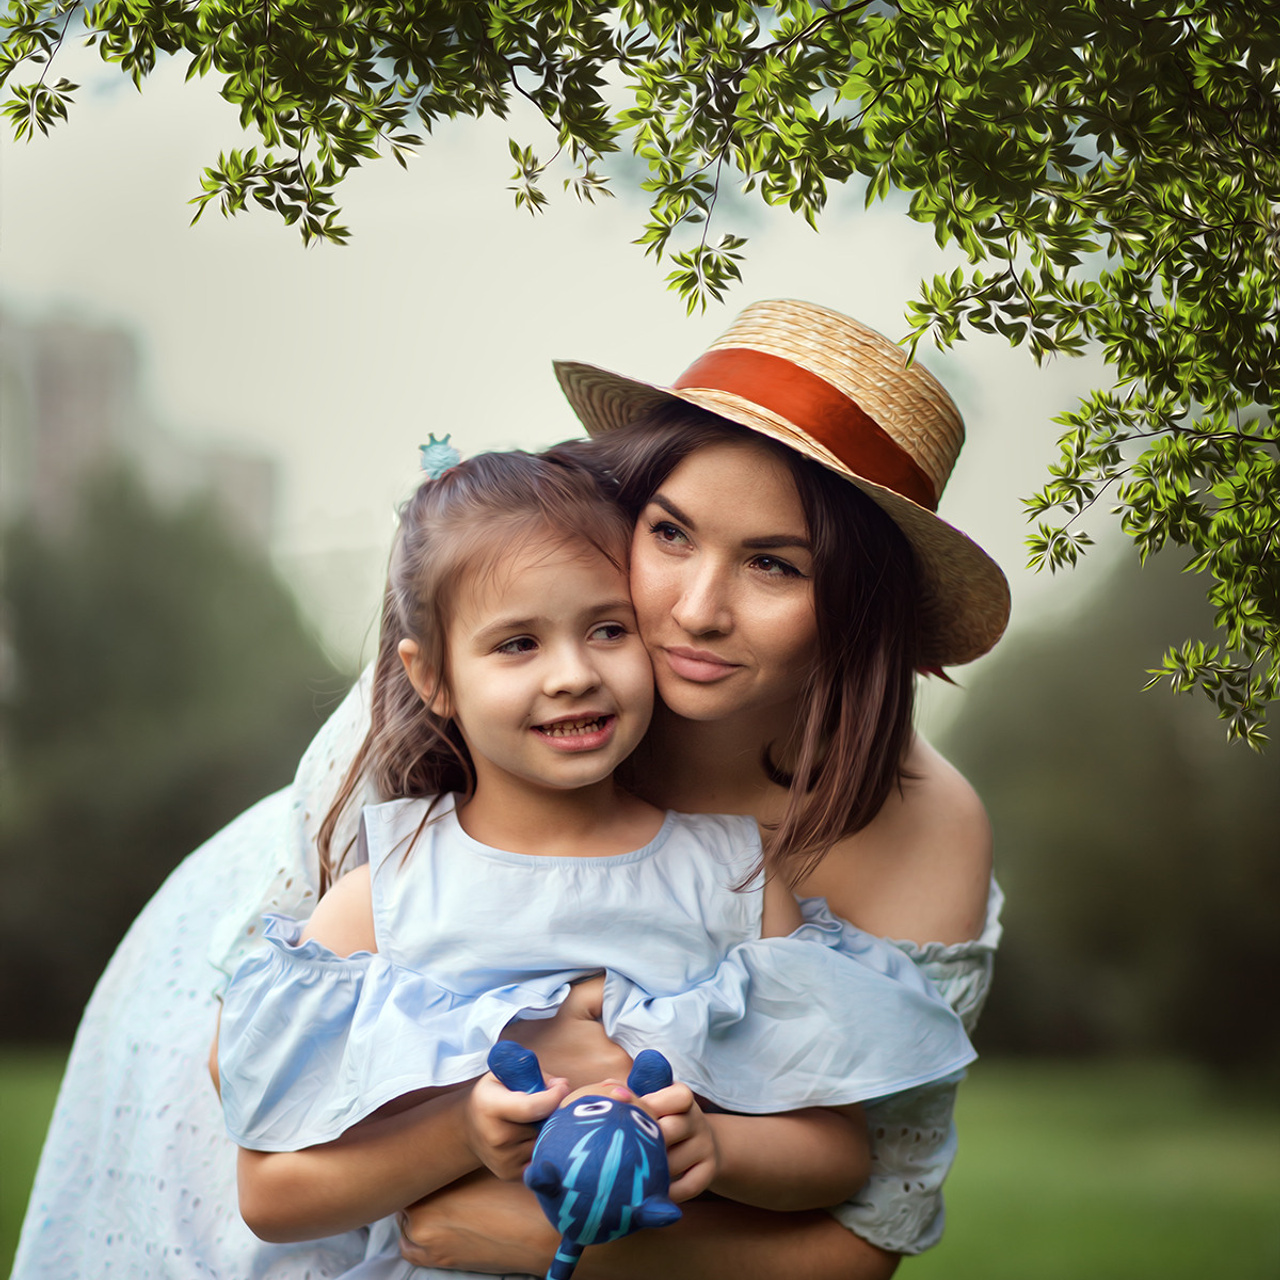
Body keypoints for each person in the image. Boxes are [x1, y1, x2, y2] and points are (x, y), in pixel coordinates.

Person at [12, 298, 1007, 1280]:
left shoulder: (889, 837)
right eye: (669, 533)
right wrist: (482, 1098)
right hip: (258, 1125)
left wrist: (530, 1236)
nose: (697, 610)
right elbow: (253, 1083)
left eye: (774, 566)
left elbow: (865, 1213)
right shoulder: (497, 683)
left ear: (861, 607)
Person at [213, 447, 975, 1276]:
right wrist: (462, 1130)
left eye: (608, 630)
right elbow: (271, 1197)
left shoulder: (734, 884)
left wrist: (717, 1146)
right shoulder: (385, 897)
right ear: (431, 677)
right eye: (518, 644)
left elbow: (841, 1157)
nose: (573, 675)